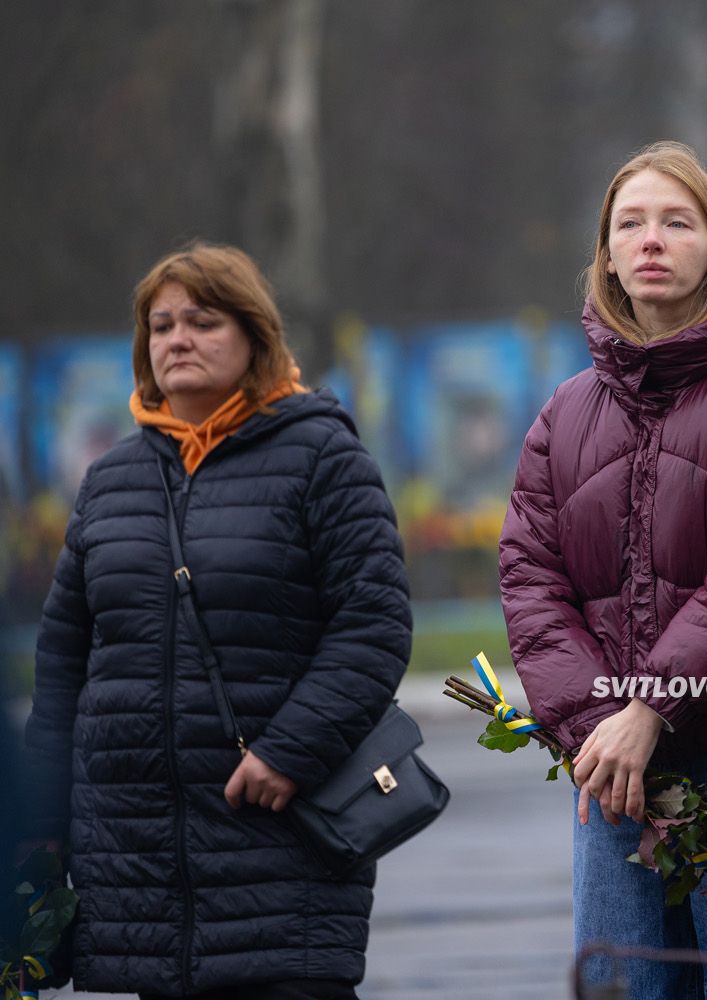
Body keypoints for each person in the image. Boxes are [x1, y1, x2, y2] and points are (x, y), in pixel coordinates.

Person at [498, 140, 707, 1000]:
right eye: (630, 224)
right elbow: (530, 577)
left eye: (677, 222)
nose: (651, 239)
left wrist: (650, 708)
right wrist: (600, 728)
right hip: (613, 770)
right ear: (607, 255)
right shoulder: (567, 410)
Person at [23, 242, 412, 999]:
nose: (178, 339)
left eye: (202, 321)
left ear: (254, 336)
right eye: (161, 325)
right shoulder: (109, 482)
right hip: (135, 863)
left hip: (280, 839)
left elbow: (374, 624)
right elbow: (62, 663)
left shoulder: (323, 457)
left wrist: (289, 752)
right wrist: (36, 827)